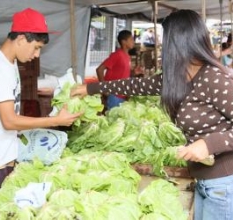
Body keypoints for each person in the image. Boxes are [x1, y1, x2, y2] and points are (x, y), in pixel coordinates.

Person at [72, 10, 233, 220]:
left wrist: (208, 144)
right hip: (203, 180)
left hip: (223, 183)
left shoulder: (215, 78)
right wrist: (91, 89)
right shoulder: (178, 76)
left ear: (178, 41)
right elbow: (135, 85)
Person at [0, 8, 81, 197]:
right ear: (20, 39)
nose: (36, 55)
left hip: (1, 153)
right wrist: (54, 121)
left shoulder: (9, 62)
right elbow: (9, 121)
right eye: (36, 47)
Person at [96, 30, 141, 110]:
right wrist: (104, 89)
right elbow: (99, 69)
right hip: (114, 96)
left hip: (123, 95)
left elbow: (123, 74)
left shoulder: (127, 56)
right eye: (131, 39)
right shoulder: (117, 55)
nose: (133, 42)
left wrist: (134, 73)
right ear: (124, 42)